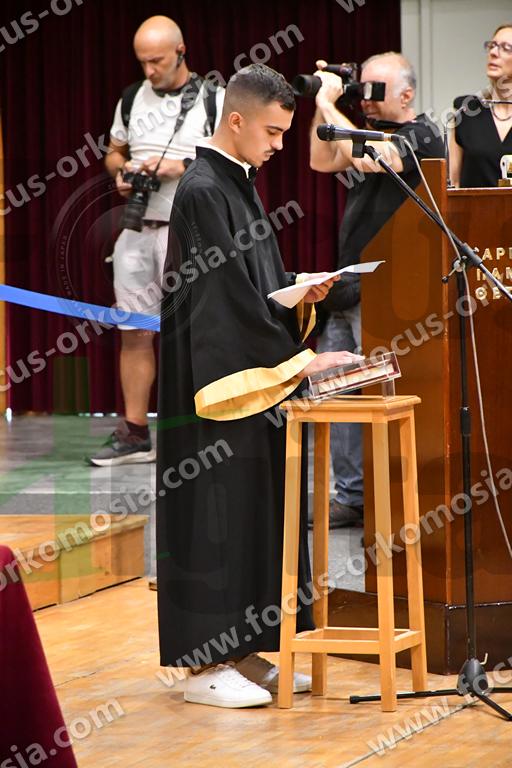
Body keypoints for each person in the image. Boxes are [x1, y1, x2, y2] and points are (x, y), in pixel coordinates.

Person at [156, 63, 360, 709]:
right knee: (216, 514)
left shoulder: (237, 181)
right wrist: (297, 360)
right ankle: (203, 665)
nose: (279, 146)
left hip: (253, 383)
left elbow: (251, 285)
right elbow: (219, 301)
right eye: (272, 133)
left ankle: (245, 650)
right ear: (237, 120)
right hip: (217, 383)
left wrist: (299, 292)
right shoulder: (202, 190)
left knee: (253, 513)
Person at [309, 52, 444, 529]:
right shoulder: (361, 131)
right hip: (348, 284)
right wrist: (323, 101)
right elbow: (320, 158)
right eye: (360, 88)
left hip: (391, 291)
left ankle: (392, 496)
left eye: (375, 90)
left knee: (384, 394)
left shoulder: (424, 134)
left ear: (406, 94)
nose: (365, 99)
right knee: (335, 392)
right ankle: (351, 496)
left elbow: (376, 161)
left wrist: (330, 104)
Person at [87, 15, 224, 466]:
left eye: (158, 61)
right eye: (143, 62)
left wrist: (179, 167)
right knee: (134, 333)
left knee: (196, 334)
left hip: (188, 232)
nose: (149, 70)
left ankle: (201, 433)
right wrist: (123, 172)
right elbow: (114, 152)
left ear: (181, 51)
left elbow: (234, 160)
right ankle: (135, 433)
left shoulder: (213, 98)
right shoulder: (132, 98)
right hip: (135, 230)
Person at [450, 24, 512, 188]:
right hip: (473, 205)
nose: (493, 53)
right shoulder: (465, 110)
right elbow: (453, 183)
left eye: (506, 48)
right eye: (492, 46)